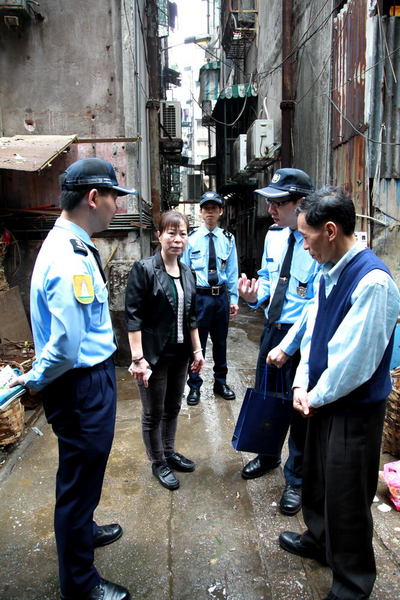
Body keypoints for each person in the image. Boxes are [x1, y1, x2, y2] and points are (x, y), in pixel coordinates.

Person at [9, 158, 132, 600]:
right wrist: (36, 379)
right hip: (80, 385)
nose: (119, 207)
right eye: (115, 197)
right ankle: (79, 584)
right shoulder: (68, 258)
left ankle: (84, 530)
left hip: (86, 381)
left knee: (86, 472)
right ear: (93, 198)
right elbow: (65, 346)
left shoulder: (74, 245)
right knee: (78, 483)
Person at [279, 187, 400, 600]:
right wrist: (301, 382)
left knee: (347, 496)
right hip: (322, 399)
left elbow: (354, 362)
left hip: (353, 409)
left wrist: (313, 396)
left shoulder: (373, 282)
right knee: (317, 480)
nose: (304, 245)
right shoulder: (328, 271)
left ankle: (352, 583)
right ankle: (319, 540)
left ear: (330, 231)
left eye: (306, 236)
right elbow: (314, 334)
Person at [238, 168, 320, 516]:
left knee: (299, 406)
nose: (270, 209)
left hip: (302, 336)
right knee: (268, 396)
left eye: (278, 203)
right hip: (272, 328)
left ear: (301, 203)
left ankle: (296, 479)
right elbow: (270, 280)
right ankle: (268, 454)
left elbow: (316, 303)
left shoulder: (316, 241)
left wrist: (291, 344)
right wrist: (253, 297)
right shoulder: (273, 237)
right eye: (269, 202)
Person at [125, 210, 205, 491]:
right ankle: (157, 460)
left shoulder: (188, 272)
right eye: (171, 233)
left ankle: (169, 452)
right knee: (153, 412)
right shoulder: (144, 269)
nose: (177, 239)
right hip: (153, 357)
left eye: (183, 233)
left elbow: (192, 316)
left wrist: (197, 351)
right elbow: (133, 317)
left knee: (173, 406)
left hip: (180, 354)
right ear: (159, 235)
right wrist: (138, 358)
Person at [181, 191, 239, 406]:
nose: (210, 212)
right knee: (198, 344)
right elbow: (185, 272)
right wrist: (187, 302)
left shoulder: (228, 239)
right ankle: (194, 385)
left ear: (220, 211)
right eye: (206, 208)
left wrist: (234, 298)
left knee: (221, 343)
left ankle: (220, 382)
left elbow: (232, 271)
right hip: (200, 298)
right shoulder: (191, 239)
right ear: (201, 211)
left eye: (214, 208)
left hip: (220, 298)